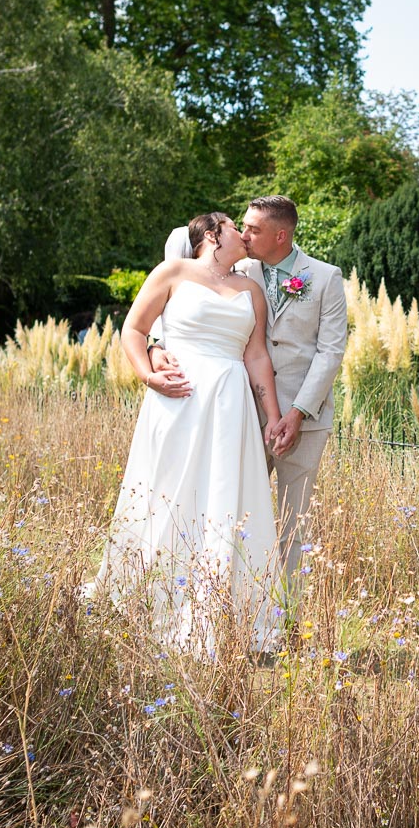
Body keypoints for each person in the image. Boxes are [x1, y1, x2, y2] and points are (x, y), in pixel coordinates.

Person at [88, 212, 284, 653]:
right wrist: (148, 375)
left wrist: (271, 416)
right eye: (236, 226)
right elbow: (134, 330)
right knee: (167, 492)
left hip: (230, 403)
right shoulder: (173, 272)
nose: (244, 233)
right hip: (177, 401)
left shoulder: (251, 290)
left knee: (222, 497)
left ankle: (221, 613)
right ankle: (143, 600)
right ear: (213, 234)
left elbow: (256, 358)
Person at [151, 195, 347, 585]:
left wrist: (296, 413)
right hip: (239, 411)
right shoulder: (236, 265)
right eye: (242, 225)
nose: (243, 233)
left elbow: (330, 352)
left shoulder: (325, 277)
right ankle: (227, 597)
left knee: (295, 523)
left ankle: (288, 614)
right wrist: (157, 346)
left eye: (254, 229)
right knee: (228, 509)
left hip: (303, 419)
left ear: (281, 235)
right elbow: (180, 296)